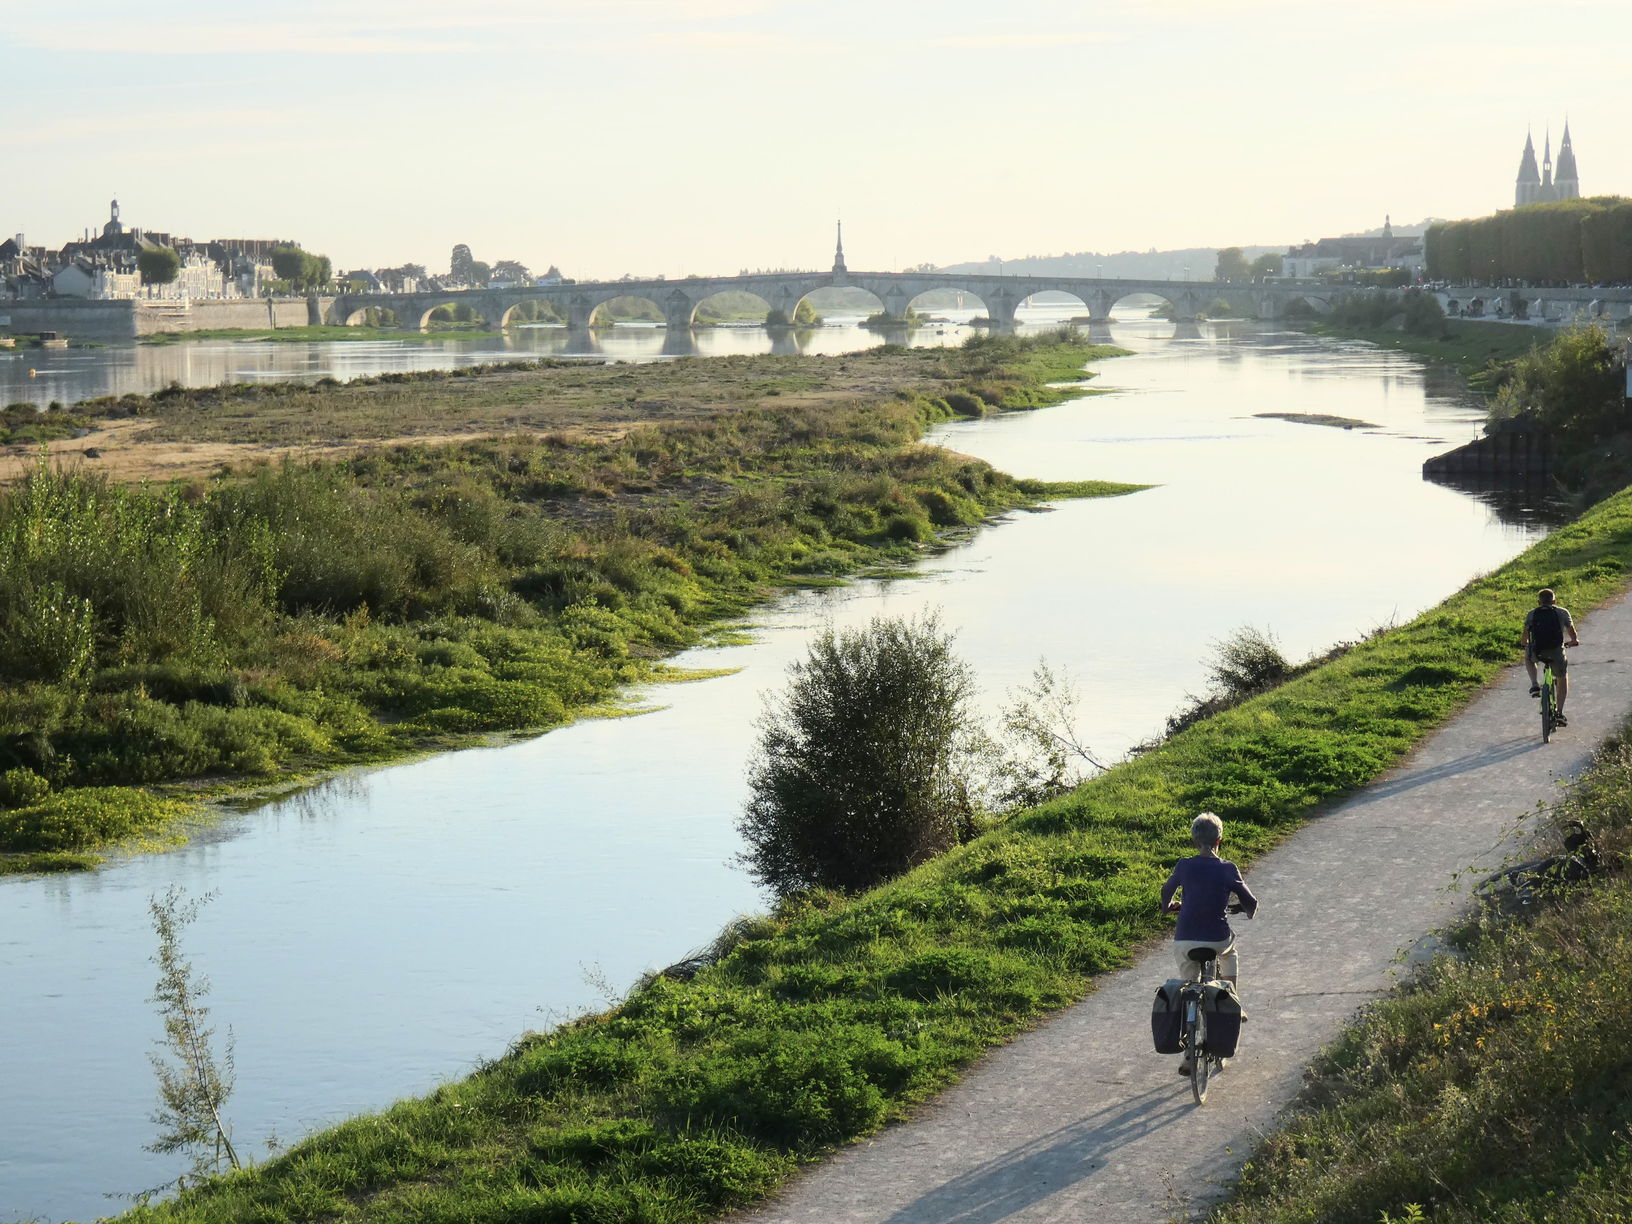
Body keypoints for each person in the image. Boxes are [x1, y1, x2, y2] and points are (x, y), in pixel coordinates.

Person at [1521, 588, 1581, 726]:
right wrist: (1573, 642)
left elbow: (1524, 639)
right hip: (1556, 652)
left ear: (1539, 602)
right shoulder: (1563, 612)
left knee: (1528, 658)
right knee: (1562, 677)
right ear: (1554, 601)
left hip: (1537, 652)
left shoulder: (1532, 614)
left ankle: (1535, 685)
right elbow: (1573, 636)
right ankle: (1559, 713)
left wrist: (1526, 644)